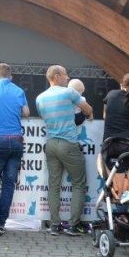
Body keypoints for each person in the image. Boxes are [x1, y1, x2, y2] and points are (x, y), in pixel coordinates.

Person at [35, 65, 93, 236]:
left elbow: (44, 117)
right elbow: (88, 109)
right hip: (68, 142)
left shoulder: (39, 98)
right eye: (66, 75)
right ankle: (73, 225)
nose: (68, 78)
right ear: (57, 76)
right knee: (78, 183)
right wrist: (87, 115)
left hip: (51, 143)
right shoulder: (69, 92)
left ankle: (54, 225)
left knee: (54, 185)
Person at [0, 63, 30, 236]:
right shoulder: (19, 90)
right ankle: (1, 222)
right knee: (9, 183)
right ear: (11, 76)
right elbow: (26, 112)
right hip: (16, 139)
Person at [102, 72, 129, 201]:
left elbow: (105, 116)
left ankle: (117, 194)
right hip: (128, 144)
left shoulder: (111, 95)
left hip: (109, 144)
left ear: (121, 83)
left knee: (116, 170)